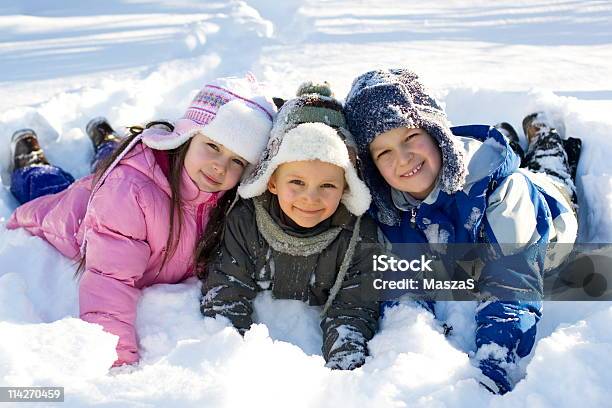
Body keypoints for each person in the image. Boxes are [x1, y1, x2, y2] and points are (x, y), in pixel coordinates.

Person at [6, 77, 275, 367]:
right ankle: (31, 159)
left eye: (237, 161)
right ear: (187, 136)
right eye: (213, 146)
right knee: (48, 186)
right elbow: (109, 281)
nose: (220, 166)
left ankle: (106, 140)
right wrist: (116, 358)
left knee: (111, 159)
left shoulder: (227, 199)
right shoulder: (129, 195)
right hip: (76, 213)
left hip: (125, 183)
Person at [343, 68, 579, 394]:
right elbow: (402, 286)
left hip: (541, 220)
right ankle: (507, 139)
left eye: (411, 137)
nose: (403, 157)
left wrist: (493, 372)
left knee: (547, 177)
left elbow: (511, 287)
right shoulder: (387, 207)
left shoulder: (502, 191)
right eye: (384, 152)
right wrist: (407, 349)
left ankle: (545, 143)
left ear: (436, 132)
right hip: (466, 244)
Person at [199, 83, 381, 370]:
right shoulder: (247, 220)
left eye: (328, 185)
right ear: (272, 181)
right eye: (296, 182)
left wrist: (346, 371)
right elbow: (226, 290)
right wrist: (232, 361)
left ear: (346, 187)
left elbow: (353, 308)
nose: (311, 198)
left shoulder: (357, 235)